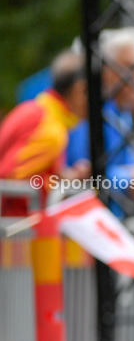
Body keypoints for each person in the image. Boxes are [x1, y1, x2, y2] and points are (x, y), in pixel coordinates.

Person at [67, 32, 134, 212]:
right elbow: (82, 171)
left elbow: (131, 166)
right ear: (106, 70)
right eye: (130, 66)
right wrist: (129, 178)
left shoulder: (123, 113)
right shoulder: (87, 110)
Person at [0, 49, 89, 216]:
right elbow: (11, 180)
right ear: (79, 90)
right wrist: (59, 185)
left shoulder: (31, 109)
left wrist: (63, 176)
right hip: (19, 233)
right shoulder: (51, 131)